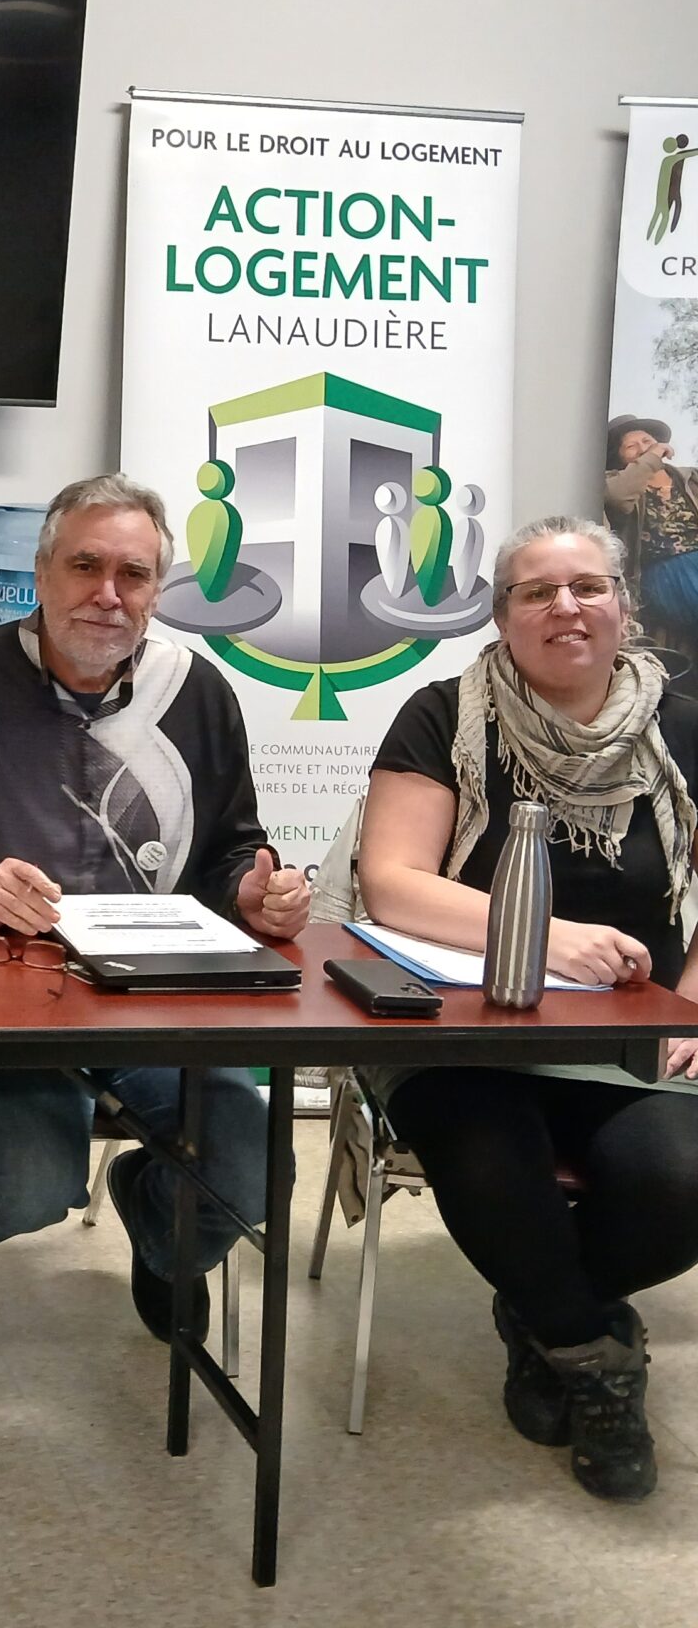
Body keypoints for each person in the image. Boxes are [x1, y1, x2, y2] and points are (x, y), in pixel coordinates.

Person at [0, 474, 308, 1338]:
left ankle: (157, 1224)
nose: (107, 595)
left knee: (254, 1172)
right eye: (85, 567)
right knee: (30, 1181)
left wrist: (252, 890)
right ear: (44, 571)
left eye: (133, 576)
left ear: (156, 591)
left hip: (155, 1003)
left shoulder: (197, 694)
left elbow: (228, 850)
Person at [359, 514, 698, 1504]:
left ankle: (545, 1315)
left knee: (682, 1183)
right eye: (537, 592)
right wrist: (550, 937)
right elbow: (393, 883)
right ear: (501, 616)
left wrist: (686, 1006)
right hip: (461, 1032)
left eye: (588, 587)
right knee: (484, 1158)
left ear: (624, 605)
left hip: (631, 1034)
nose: (567, 608)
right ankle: (593, 1360)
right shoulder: (443, 716)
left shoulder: (685, 721)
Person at [602, 414, 698, 657]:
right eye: (631, 446)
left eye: (647, 441)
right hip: (664, 572)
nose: (643, 449)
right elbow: (618, 498)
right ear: (620, 457)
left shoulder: (689, 478)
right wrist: (650, 459)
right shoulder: (617, 483)